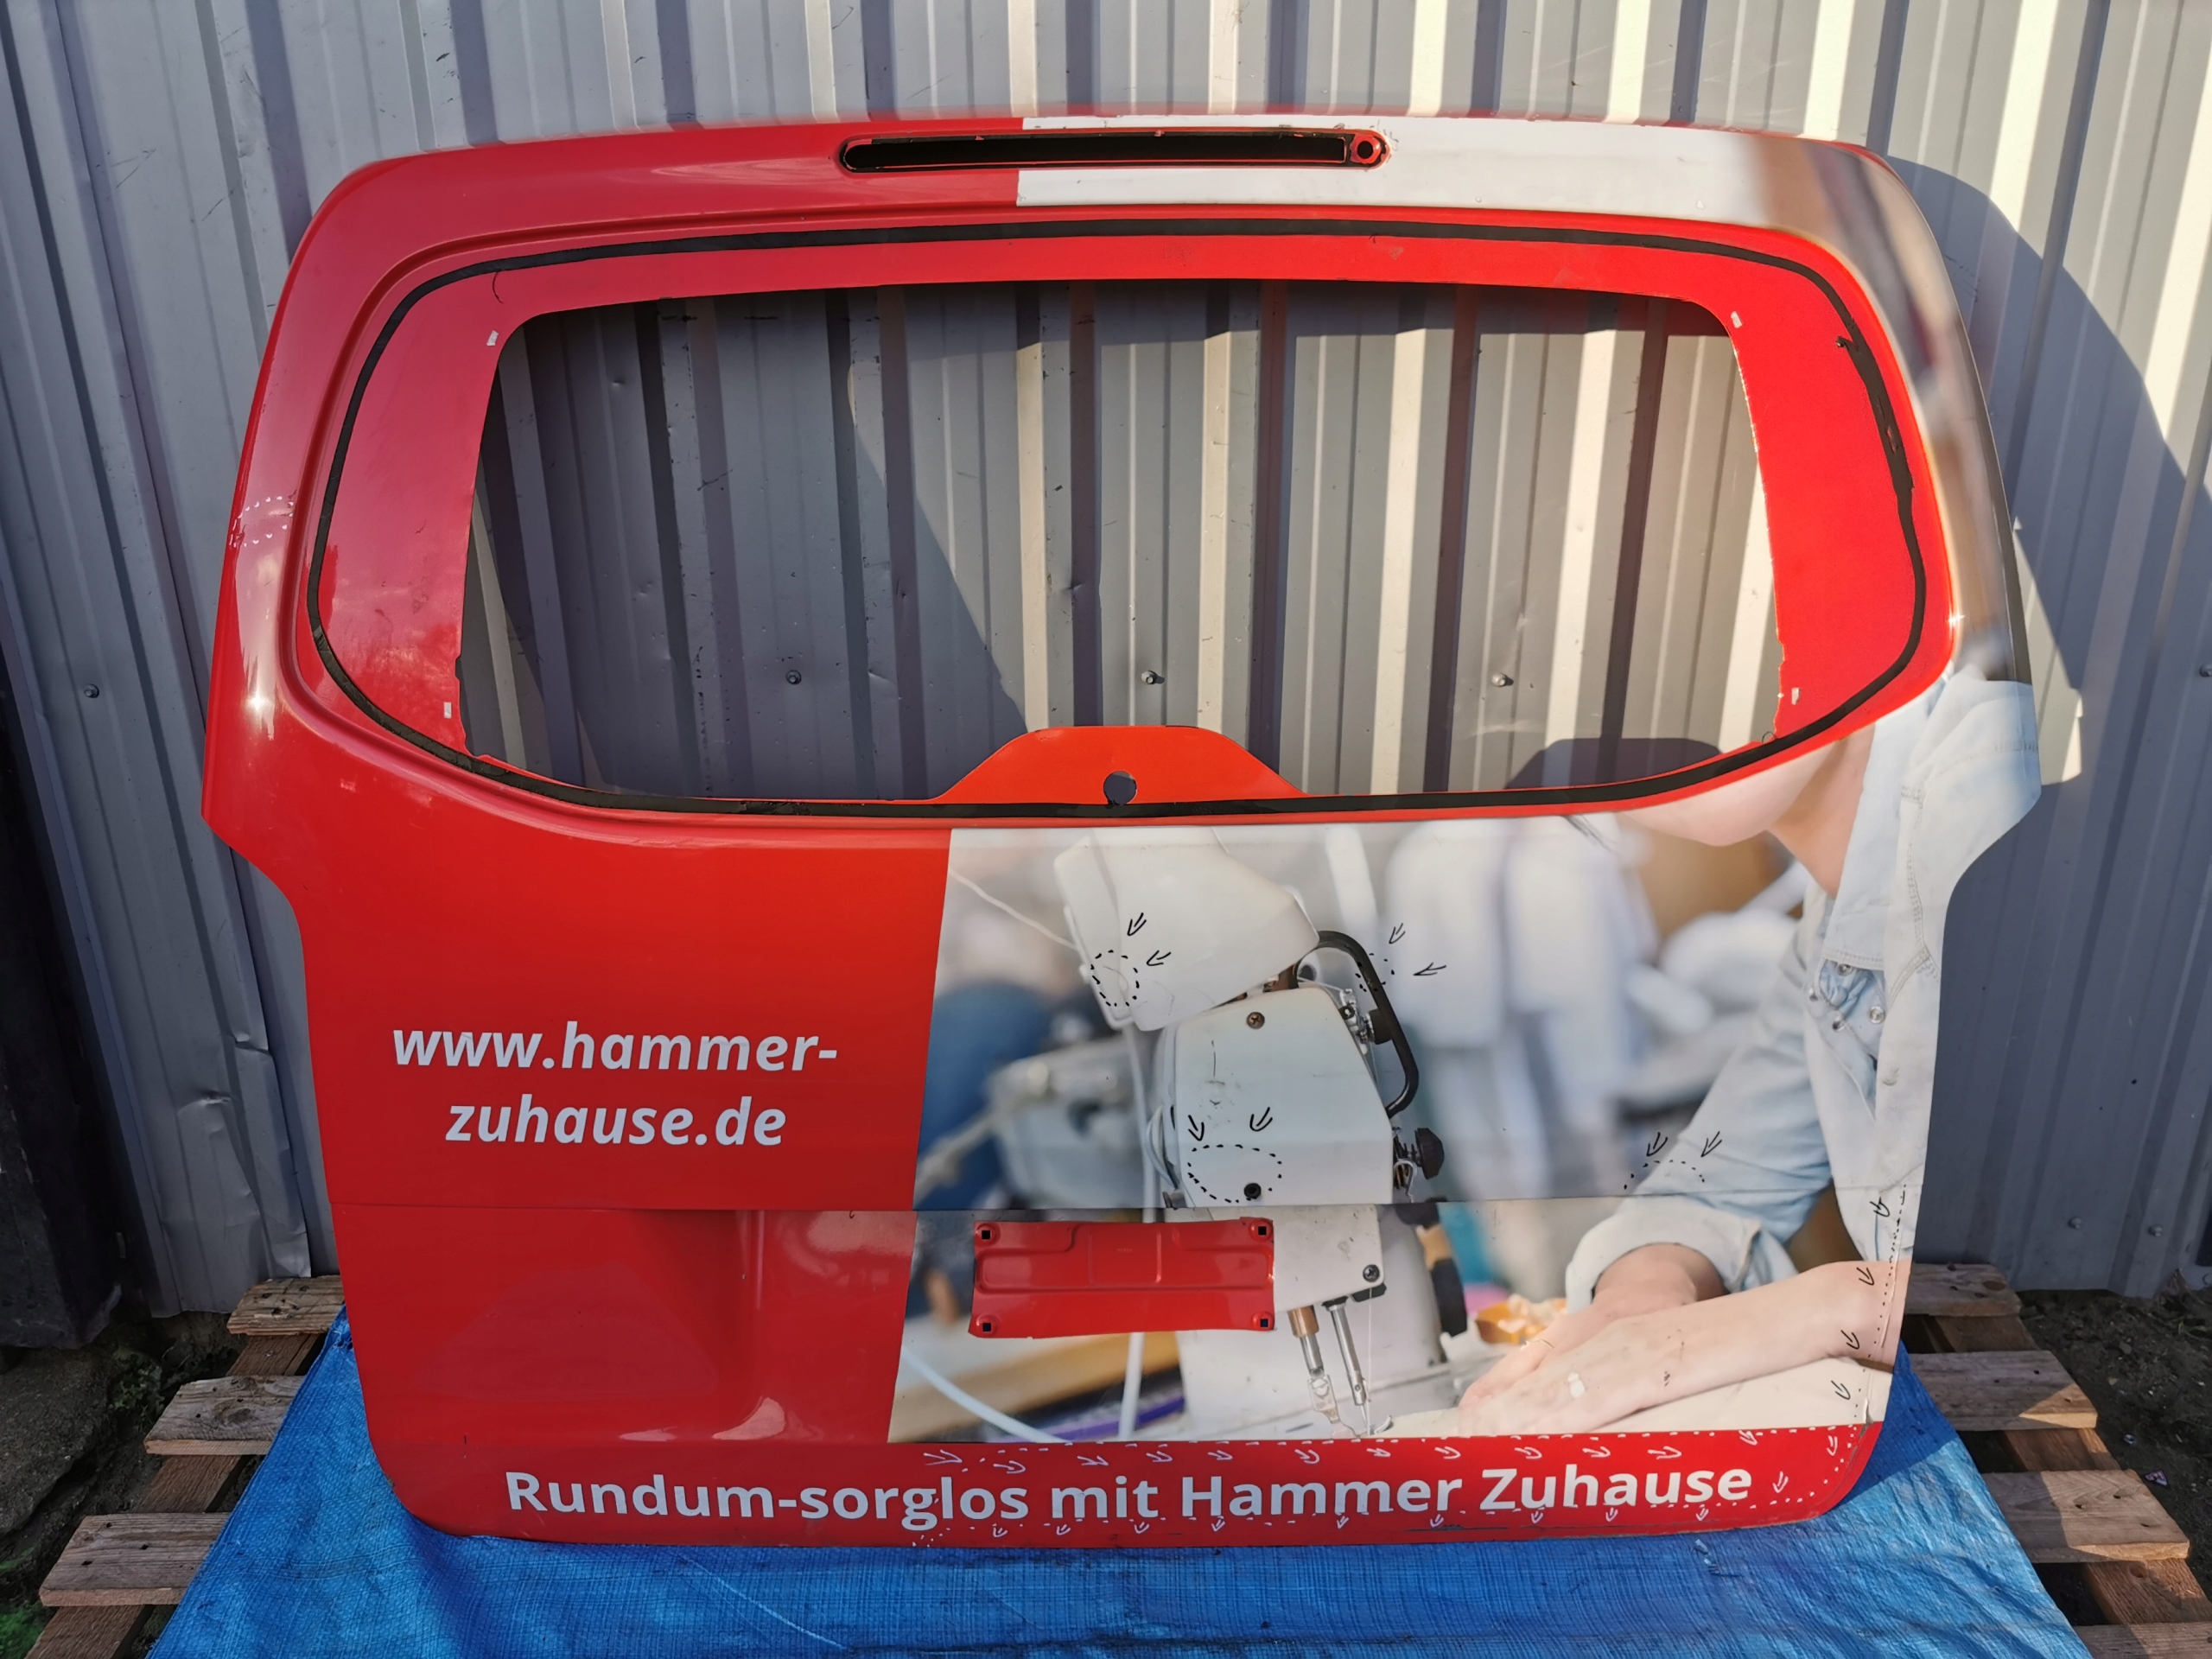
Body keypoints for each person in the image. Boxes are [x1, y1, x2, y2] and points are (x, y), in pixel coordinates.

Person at [1454, 667, 2040, 1434]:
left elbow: (2044, 1272)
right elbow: (1716, 1187)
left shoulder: (2011, 813)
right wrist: (1643, 1294)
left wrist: (1774, 1320)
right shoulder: (1834, 928)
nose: (1623, 727)